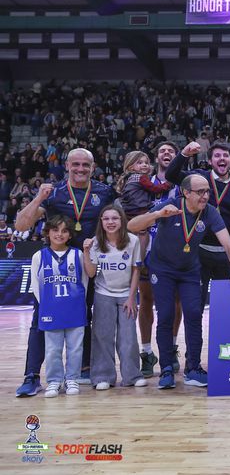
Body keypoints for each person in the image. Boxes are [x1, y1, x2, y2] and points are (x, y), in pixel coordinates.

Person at [128, 174, 230, 390]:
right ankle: (166, 369)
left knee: (194, 314)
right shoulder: (170, 205)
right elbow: (132, 225)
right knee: (165, 315)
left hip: (190, 270)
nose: (205, 195)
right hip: (162, 269)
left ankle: (193, 368)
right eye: (200, 191)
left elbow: (229, 244)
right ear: (186, 193)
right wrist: (157, 214)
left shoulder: (210, 211)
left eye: (207, 191)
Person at [14, 148, 115, 397]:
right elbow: (21, 224)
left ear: (93, 168)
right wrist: (38, 198)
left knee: (86, 317)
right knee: (41, 321)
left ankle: (84, 368)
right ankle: (32, 375)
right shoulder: (54, 193)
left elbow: (116, 223)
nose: (80, 169)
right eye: (76, 164)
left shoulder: (104, 192)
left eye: (86, 165)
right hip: (54, 265)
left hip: (87, 266)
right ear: (67, 166)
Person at [167, 141, 230, 311]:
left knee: (227, 307)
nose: (222, 158)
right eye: (217, 156)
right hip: (199, 251)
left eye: (225, 155)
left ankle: (224, 338)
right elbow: (171, 175)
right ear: (210, 161)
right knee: (195, 304)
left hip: (226, 253)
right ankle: (196, 338)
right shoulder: (199, 177)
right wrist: (184, 154)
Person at [82, 205, 146, 391]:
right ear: (101, 222)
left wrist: (132, 297)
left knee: (128, 338)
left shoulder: (133, 240)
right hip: (103, 294)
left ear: (122, 221)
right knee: (102, 336)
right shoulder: (95, 243)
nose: (110, 222)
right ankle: (103, 376)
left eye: (115, 218)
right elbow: (92, 273)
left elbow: (136, 270)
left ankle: (132, 375)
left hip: (126, 294)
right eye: (106, 219)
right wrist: (86, 252)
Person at [30, 215, 88, 398]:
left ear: (70, 235)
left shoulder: (77, 254)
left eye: (64, 231)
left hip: (75, 309)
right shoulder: (39, 256)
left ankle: (72, 378)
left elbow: (84, 283)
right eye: (55, 230)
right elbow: (36, 285)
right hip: (51, 310)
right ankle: (54, 380)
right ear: (48, 233)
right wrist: (48, 305)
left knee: (75, 348)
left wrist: (77, 302)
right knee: (53, 349)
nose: (60, 234)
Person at [139, 141, 184, 378]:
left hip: (175, 246)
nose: (166, 154)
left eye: (171, 151)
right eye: (162, 151)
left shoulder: (183, 181)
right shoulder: (142, 182)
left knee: (176, 300)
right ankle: (146, 352)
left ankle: (173, 347)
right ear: (156, 158)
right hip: (148, 245)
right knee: (146, 298)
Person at [115, 151, 173, 255]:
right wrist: (168, 184)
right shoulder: (141, 177)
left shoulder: (126, 177)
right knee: (143, 233)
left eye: (146, 162)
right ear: (131, 166)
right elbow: (154, 188)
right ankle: (140, 260)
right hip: (140, 209)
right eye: (140, 162)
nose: (144, 165)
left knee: (131, 235)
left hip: (127, 210)